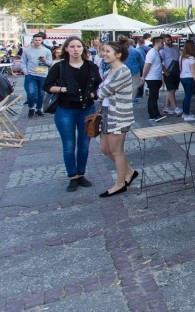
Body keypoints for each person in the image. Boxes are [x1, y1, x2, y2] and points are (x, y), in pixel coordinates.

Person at [43, 37, 101, 192]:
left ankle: (81, 173)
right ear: (66, 49)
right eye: (72, 46)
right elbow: (47, 86)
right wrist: (62, 89)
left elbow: (98, 84)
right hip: (65, 110)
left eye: (79, 46)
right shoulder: (59, 67)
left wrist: (94, 94)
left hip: (87, 110)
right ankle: (72, 176)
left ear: (83, 49)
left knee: (84, 145)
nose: (76, 49)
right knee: (69, 145)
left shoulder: (91, 66)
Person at [96, 41, 137, 198]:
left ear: (118, 54)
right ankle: (129, 171)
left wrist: (101, 91)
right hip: (107, 112)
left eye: (107, 51)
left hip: (119, 115)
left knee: (116, 151)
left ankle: (120, 184)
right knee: (105, 149)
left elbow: (102, 91)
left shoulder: (122, 71)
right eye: (103, 51)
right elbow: (102, 90)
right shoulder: (111, 70)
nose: (104, 53)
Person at [22, 33, 53, 117]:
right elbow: (23, 62)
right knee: (31, 92)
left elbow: (50, 63)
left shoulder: (46, 51)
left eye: (39, 40)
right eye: (36, 40)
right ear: (33, 40)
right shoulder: (27, 50)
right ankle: (31, 108)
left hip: (42, 74)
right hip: (31, 74)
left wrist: (44, 60)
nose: (37, 42)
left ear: (42, 41)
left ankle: (39, 109)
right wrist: (25, 72)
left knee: (41, 93)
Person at [142, 36, 166, 123]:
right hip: (152, 78)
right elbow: (147, 65)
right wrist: (143, 76)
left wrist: (166, 72)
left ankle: (152, 114)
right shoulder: (152, 53)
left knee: (153, 97)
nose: (163, 44)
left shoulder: (157, 52)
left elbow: (159, 65)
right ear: (157, 43)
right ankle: (155, 115)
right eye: (162, 42)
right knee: (153, 97)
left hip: (155, 77)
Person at [178, 40, 195, 122]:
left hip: (182, 77)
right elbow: (193, 71)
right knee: (188, 97)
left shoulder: (181, 57)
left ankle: (185, 112)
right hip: (190, 78)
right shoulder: (191, 58)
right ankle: (186, 114)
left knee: (186, 96)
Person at [118, 36, 145, 102]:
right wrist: (143, 72)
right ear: (132, 43)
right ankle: (132, 99)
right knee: (135, 85)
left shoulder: (120, 51)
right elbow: (142, 62)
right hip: (135, 70)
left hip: (122, 70)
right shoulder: (136, 51)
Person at [159, 35, 181, 115]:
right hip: (168, 72)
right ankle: (175, 108)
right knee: (171, 90)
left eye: (170, 40)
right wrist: (165, 72)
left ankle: (166, 107)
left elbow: (178, 57)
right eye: (168, 40)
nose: (170, 41)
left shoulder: (175, 47)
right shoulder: (162, 50)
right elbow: (160, 62)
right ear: (164, 41)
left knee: (173, 90)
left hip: (176, 70)